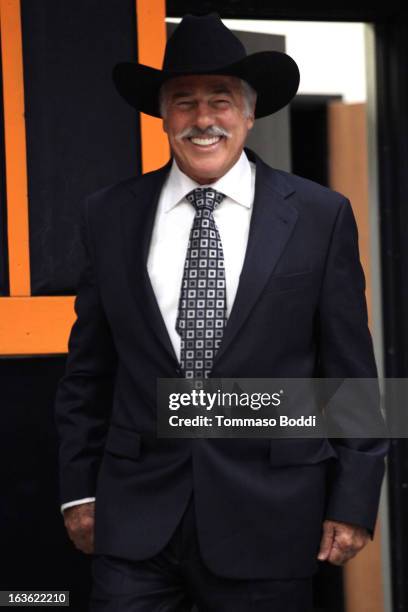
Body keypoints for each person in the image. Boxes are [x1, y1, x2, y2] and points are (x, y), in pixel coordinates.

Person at [55, 13, 388, 612]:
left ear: (250, 113)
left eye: (221, 101)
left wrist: (355, 499)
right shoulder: (107, 215)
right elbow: (89, 370)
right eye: (184, 103)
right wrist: (77, 492)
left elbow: (350, 376)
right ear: (162, 114)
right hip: (135, 520)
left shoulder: (319, 215)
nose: (203, 120)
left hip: (273, 515)